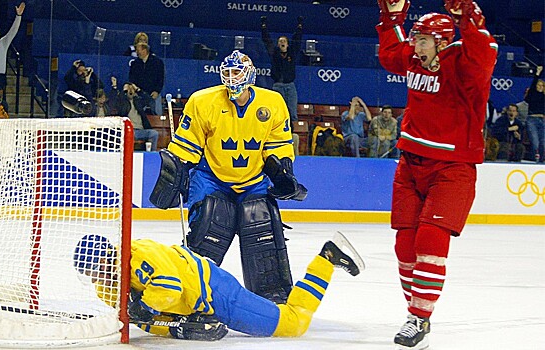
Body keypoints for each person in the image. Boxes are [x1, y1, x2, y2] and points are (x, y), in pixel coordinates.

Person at [376, 0, 497, 348]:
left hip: (453, 167)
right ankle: (414, 312)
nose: (417, 44)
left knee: (430, 241)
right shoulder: (414, 59)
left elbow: (484, 53)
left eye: (425, 39)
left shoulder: (464, 62)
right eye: (416, 37)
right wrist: (392, 18)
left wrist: (468, 17)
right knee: (405, 245)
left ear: (443, 43)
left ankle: (419, 319)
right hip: (411, 162)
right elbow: (389, 54)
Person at [149, 50, 307, 303]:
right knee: (208, 228)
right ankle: (191, 289)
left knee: (262, 228)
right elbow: (186, 146)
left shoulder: (274, 102)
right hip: (212, 177)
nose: (232, 78)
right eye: (228, 73)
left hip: (254, 179)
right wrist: (176, 176)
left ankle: (272, 293)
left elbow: (278, 145)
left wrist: (283, 172)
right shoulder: (203, 101)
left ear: (250, 75)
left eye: (237, 72)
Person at [73, 232, 364, 340]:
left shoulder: (140, 256)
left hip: (215, 291)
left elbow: (168, 289)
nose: (96, 278)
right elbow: (143, 320)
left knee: (293, 323)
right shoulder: (107, 286)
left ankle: (327, 257)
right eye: (88, 273)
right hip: (199, 302)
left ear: (108, 256)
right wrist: (175, 329)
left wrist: (145, 308)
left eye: (95, 268)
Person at [261, 15, 303, 155]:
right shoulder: (275, 54)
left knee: (291, 112)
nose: (282, 43)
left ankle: (289, 136)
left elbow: (297, 41)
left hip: (290, 86)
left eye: (284, 41)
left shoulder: (292, 53)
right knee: (277, 111)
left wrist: (299, 27)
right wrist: (264, 27)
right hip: (278, 86)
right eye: (280, 41)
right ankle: (276, 135)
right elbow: (267, 41)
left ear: (287, 44)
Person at [111, 76, 159, 150]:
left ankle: (151, 154)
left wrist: (137, 89)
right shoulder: (122, 103)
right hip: (129, 131)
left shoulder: (138, 101)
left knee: (154, 133)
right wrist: (121, 90)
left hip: (140, 130)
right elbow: (114, 101)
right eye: (127, 90)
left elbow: (150, 100)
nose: (130, 91)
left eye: (131, 89)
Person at [128, 42, 164, 116]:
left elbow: (160, 78)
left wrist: (157, 91)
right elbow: (131, 78)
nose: (137, 53)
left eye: (138, 50)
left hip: (153, 94)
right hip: (139, 94)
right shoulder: (135, 63)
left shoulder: (157, 62)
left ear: (144, 50)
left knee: (157, 114)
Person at [523, 65, 544, 162]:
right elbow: (532, 87)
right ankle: (535, 160)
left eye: (542, 85)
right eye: (538, 85)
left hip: (542, 120)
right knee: (535, 142)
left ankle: (542, 161)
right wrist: (537, 74)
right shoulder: (532, 95)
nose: (540, 87)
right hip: (532, 120)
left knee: (543, 143)